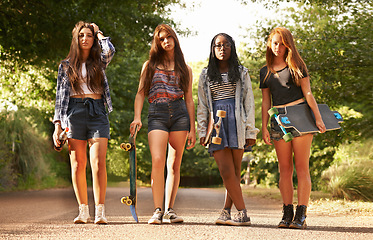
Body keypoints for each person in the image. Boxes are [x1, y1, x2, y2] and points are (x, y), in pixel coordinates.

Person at [260, 27, 326, 229]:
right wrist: (264, 127)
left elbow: (308, 94)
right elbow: (265, 102)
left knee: (301, 167)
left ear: (288, 45)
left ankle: (301, 215)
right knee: (284, 169)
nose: (277, 47)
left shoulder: (297, 66)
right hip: (278, 120)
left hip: (300, 118)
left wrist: (318, 118)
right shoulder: (265, 72)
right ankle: (287, 212)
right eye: (274, 43)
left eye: (281, 43)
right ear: (270, 45)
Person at [130, 24, 196, 224]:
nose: (166, 41)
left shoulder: (186, 69)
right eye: (161, 39)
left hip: (179, 115)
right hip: (157, 113)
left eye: (169, 37)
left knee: (174, 164)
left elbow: (189, 99)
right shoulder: (149, 65)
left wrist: (192, 128)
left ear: (175, 39)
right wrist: (137, 117)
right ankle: (157, 210)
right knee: (158, 160)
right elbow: (141, 93)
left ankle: (169, 210)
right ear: (157, 43)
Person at [52, 21, 115, 224]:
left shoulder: (100, 61)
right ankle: (83, 211)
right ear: (76, 40)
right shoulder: (66, 65)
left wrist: (99, 32)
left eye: (88, 35)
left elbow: (109, 51)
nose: (85, 38)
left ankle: (100, 212)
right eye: (81, 36)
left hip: (97, 111)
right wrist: (57, 125)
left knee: (98, 163)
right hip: (74, 111)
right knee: (78, 164)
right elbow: (60, 97)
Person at [197, 33, 259, 226]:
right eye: (218, 45)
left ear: (232, 48)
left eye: (226, 45)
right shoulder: (206, 74)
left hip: (237, 124)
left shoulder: (241, 72)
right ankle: (242, 212)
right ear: (212, 49)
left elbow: (249, 103)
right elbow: (202, 105)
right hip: (216, 126)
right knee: (226, 171)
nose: (222, 49)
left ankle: (226, 211)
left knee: (235, 171)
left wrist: (250, 131)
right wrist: (201, 131)